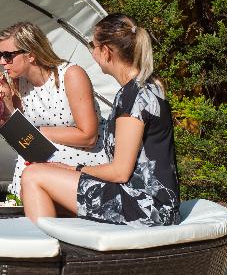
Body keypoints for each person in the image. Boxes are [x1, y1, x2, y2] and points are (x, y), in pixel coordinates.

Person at [19, 13, 181, 227]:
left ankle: (45, 246)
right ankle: (59, 242)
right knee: (43, 187)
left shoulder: (133, 96)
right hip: (150, 202)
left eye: (92, 46)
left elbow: (120, 172)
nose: (92, 53)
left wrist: (73, 169)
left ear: (106, 51)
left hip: (147, 208)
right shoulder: (146, 86)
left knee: (33, 175)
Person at [0, 22, 107, 196]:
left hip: (84, 158)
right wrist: (7, 103)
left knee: (31, 167)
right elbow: (21, 138)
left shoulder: (71, 75)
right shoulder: (17, 83)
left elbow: (89, 137)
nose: (2, 62)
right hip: (42, 157)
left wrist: (36, 133)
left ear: (31, 55)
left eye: (8, 56)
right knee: (27, 162)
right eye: (1, 55)